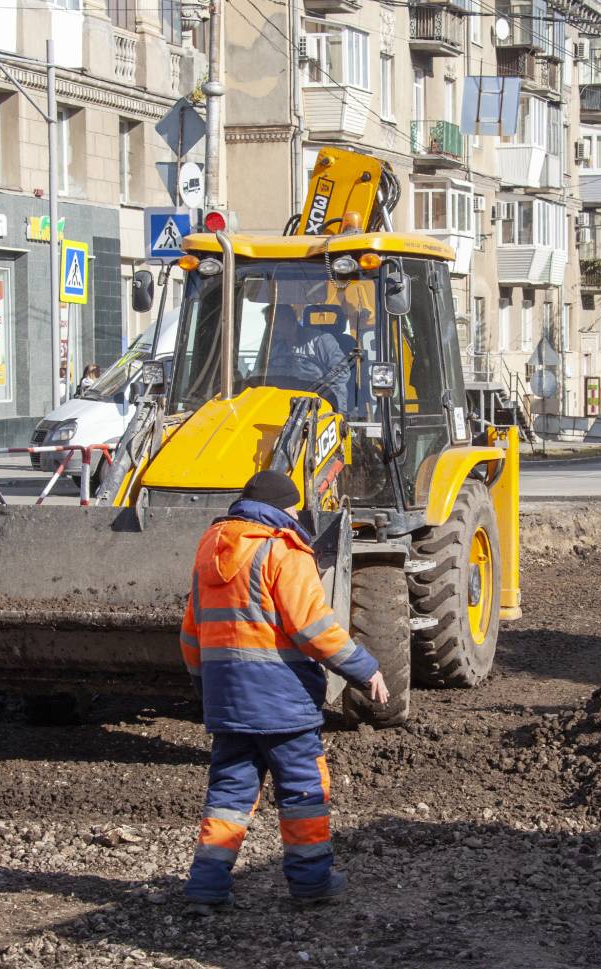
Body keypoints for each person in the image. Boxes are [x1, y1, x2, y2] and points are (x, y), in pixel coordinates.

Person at [179, 469, 389, 913]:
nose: (298, 515)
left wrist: (206, 688)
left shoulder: (208, 550)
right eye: (295, 507)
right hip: (283, 703)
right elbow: (315, 630)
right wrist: (365, 669)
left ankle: (205, 887)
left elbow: (192, 634)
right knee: (303, 794)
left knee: (229, 797)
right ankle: (312, 883)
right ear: (284, 507)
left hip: (229, 703)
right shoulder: (283, 550)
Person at [267, 304, 352, 412]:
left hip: (323, 403)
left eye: (273, 322)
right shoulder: (278, 348)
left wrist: (319, 387)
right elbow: (269, 375)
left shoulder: (321, 340)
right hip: (287, 403)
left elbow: (342, 371)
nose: (270, 327)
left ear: (287, 320)